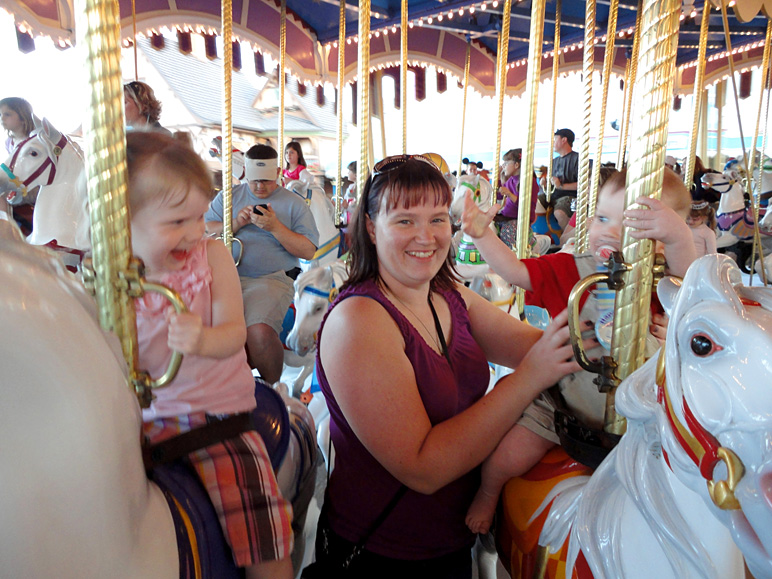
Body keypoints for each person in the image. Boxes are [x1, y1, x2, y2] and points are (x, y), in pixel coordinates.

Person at [310, 155, 586, 578]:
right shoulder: (359, 322)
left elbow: (540, 348)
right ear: (370, 226)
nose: (426, 236)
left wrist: (607, 321)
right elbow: (424, 467)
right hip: (386, 555)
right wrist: (531, 377)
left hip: (454, 541)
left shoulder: (448, 294)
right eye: (405, 221)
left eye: (438, 219)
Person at [461, 167, 695, 535]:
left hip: (642, 415)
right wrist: (482, 235)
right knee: (509, 457)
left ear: (659, 241)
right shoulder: (572, 268)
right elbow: (516, 271)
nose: (609, 232)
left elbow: (693, 287)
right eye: (603, 218)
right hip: (565, 402)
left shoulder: (666, 286)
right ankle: (488, 494)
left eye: (630, 226)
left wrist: (681, 238)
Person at [127, 131, 294, 579]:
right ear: (120, 222)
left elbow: (233, 332)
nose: (194, 232)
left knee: (261, 534)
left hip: (214, 420)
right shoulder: (112, 282)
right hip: (138, 424)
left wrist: (201, 339)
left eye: (201, 216)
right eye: (176, 222)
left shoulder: (212, 256)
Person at [205, 143, 319, 384]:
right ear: (246, 173)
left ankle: (273, 388)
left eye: (266, 181)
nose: (259, 186)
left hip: (271, 278)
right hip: (225, 276)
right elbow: (206, 228)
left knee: (258, 331)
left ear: (277, 172)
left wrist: (275, 228)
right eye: (255, 180)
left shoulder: (294, 203)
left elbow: (309, 250)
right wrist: (236, 222)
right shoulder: (229, 196)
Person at [494, 148, 539, 249]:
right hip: (506, 217)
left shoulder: (529, 182)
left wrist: (510, 194)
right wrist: (497, 179)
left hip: (520, 219)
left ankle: (512, 255)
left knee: (507, 230)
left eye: (506, 163)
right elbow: (499, 196)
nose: (503, 166)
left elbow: (526, 206)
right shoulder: (511, 180)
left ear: (516, 165)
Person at [550, 128, 580, 203]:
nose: (553, 143)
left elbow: (584, 184)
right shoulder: (554, 161)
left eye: (555, 140)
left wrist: (561, 186)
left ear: (564, 140)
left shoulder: (578, 159)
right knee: (538, 201)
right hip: (555, 194)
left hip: (571, 196)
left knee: (559, 210)